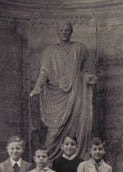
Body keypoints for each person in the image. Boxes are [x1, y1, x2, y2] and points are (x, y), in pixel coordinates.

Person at [30, 22, 97, 160]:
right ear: (57, 32)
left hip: (76, 93)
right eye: (62, 30)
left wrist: (88, 77)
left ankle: (75, 162)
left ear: (71, 32)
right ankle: (48, 160)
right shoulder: (49, 51)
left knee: (75, 129)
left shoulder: (79, 48)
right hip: (56, 96)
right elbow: (44, 72)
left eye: (67, 30)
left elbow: (84, 70)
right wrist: (38, 86)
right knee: (53, 132)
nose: (64, 32)